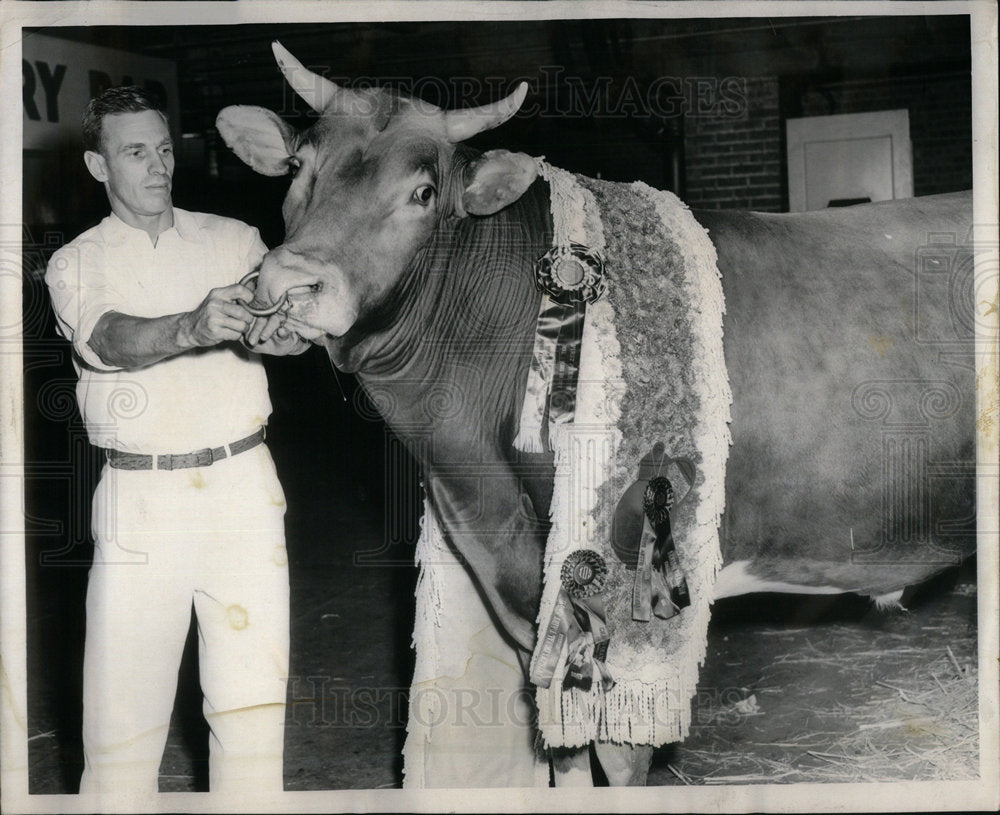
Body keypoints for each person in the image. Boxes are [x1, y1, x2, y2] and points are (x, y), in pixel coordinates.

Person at [44, 85, 308, 797]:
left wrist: (286, 331)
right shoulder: (75, 261)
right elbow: (109, 339)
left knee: (251, 714)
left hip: (243, 491)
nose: (159, 166)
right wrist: (191, 326)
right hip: (142, 503)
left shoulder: (235, 240)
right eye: (136, 152)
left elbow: (284, 330)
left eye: (164, 149)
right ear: (99, 168)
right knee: (120, 731)